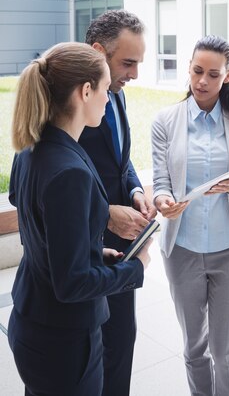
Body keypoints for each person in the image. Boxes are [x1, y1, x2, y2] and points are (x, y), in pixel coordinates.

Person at [8, 42, 151, 396]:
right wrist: (137, 268)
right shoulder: (69, 171)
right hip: (63, 340)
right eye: (104, 90)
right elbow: (71, 285)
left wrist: (92, 251)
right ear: (85, 91)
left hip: (34, 320)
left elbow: (40, 226)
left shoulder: (32, 149)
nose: (108, 98)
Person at [152, 35, 229, 396]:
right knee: (194, 348)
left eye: (212, 74)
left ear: (227, 76)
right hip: (182, 249)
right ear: (188, 68)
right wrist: (164, 200)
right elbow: (160, 181)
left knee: (224, 349)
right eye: (197, 71)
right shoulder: (166, 121)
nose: (202, 81)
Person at [80, 9, 157, 396]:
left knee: (121, 343)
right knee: (86, 355)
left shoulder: (116, 95)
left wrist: (136, 192)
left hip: (124, 250)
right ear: (98, 52)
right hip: (82, 251)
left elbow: (121, 163)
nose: (135, 74)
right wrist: (107, 215)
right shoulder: (66, 107)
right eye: (128, 63)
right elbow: (51, 188)